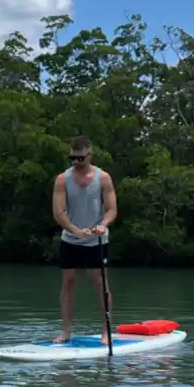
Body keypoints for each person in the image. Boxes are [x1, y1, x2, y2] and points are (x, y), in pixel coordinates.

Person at [51, 135, 117, 344]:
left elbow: (112, 209)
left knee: (100, 282)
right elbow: (58, 213)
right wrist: (76, 231)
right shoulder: (62, 179)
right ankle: (66, 331)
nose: (76, 162)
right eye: (73, 158)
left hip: (97, 239)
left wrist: (102, 225)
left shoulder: (103, 177)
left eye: (80, 158)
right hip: (71, 238)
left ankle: (106, 331)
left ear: (89, 155)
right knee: (68, 282)